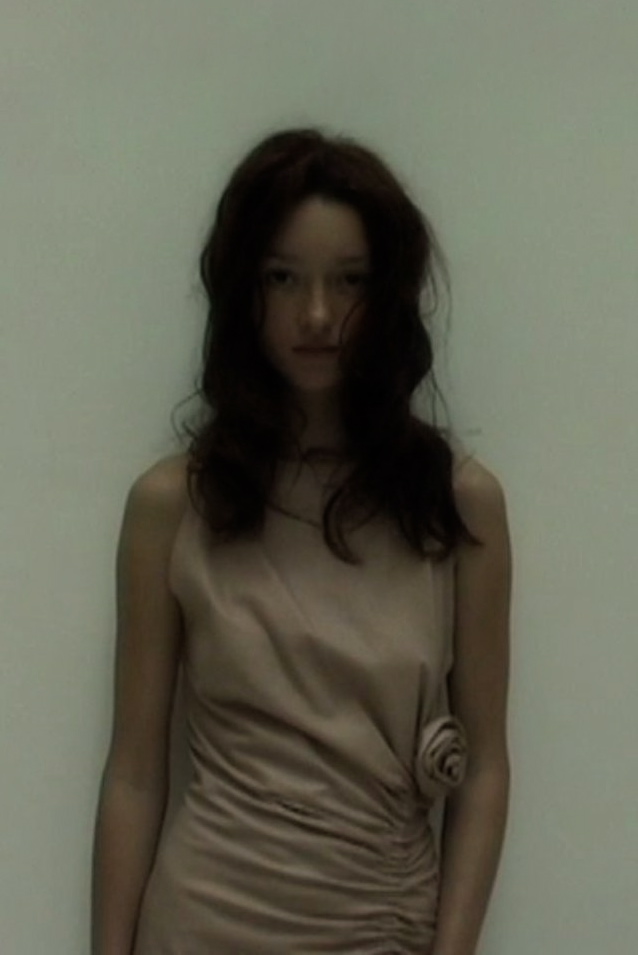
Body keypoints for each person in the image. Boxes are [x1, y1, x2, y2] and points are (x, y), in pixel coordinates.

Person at [91, 126, 512, 955]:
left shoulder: (459, 508)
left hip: (380, 923)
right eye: (282, 277)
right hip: (201, 920)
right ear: (243, 291)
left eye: (349, 281)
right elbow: (135, 773)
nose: (316, 314)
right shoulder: (171, 506)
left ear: (389, 294)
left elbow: (487, 768)